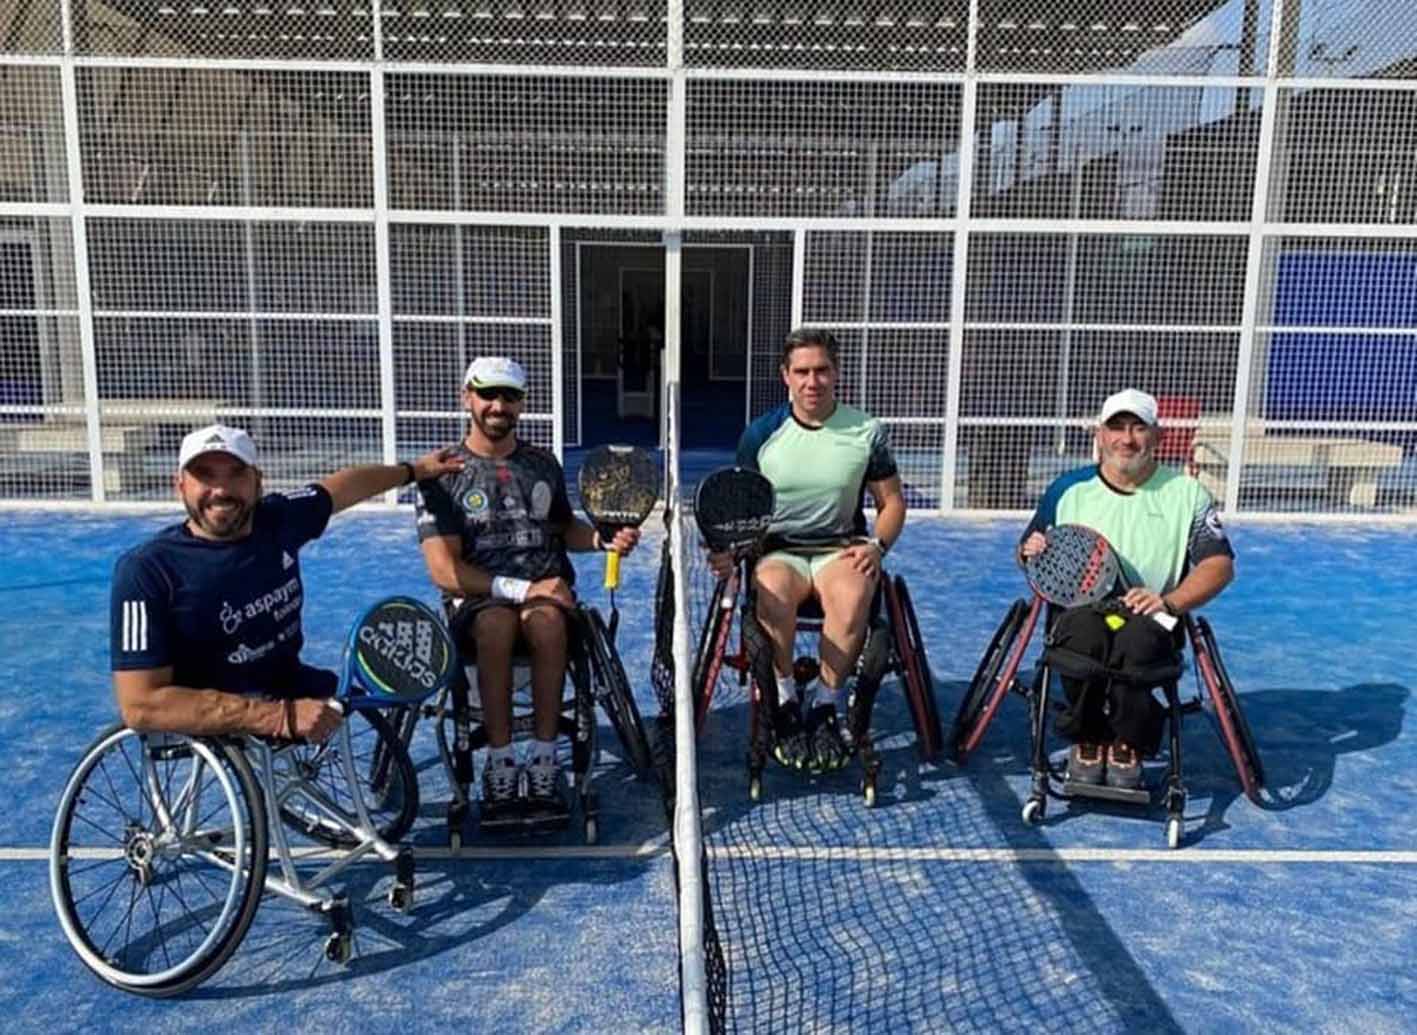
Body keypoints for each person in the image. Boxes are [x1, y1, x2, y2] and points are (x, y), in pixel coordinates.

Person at [111, 423, 463, 744]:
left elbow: (344, 485)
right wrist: (274, 716)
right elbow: (141, 705)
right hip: (216, 707)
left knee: (399, 700)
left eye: (236, 474)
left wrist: (414, 471)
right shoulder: (146, 570)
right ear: (180, 485)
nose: (221, 489)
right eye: (205, 475)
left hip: (285, 681)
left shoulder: (276, 519)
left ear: (257, 482)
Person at [414, 356, 640, 821]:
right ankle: (499, 764)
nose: (499, 405)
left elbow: (563, 527)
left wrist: (600, 539)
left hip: (547, 599)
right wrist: (526, 588)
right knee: (496, 625)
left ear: (522, 404)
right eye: (488, 395)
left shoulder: (542, 464)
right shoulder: (441, 473)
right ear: (467, 399)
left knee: (549, 621)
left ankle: (542, 758)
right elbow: (445, 571)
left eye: (510, 397)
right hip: (482, 600)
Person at [1019, 388, 1235, 789]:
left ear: (1157, 436)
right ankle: (1087, 735)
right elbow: (1028, 551)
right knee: (1082, 636)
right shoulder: (1067, 489)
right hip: (1081, 610)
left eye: (1138, 428)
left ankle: (1129, 741)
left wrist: (1169, 601)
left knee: (1135, 643)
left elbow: (1219, 565)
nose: (1127, 438)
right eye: (1116, 427)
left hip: (1152, 611)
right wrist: (1031, 551)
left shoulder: (1187, 494)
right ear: (1100, 435)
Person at [711, 328, 905, 773]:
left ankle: (824, 705)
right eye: (802, 372)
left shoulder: (866, 430)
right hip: (780, 550)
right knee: (772, 590)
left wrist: (878, 546)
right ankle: (783, 701)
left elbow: (891, 501)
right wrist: (727, 551)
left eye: (822, 370)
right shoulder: (761, 434)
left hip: (841, 547)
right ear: (786, 376)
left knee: (855, 592)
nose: (812, 381)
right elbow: (740, 508)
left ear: (836, 374)